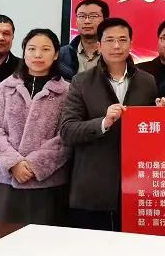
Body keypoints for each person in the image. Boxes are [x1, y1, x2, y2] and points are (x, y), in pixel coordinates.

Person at [59, 18, 157, 231]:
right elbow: (67, 131)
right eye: (110, 40)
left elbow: (150, 131)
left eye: (122, 40)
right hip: (93, 186)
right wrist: (103, 123)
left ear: (131, 43)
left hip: (136, 186)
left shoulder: (147, 81)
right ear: (99, 45)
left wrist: (162, 112)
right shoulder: (81, 82)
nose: (116, 46)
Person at [0, 28, 70, 225]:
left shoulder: (67, 92)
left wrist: (34, 165)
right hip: (7, 180)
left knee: (44, 238)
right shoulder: (3, 89)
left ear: (56, 54)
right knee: (4, 235)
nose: (38, 54)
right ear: (24, 52)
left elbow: (66, 135)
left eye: (45, 49)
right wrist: (13, 163)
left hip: (48, 183)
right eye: (31, 49)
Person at [58, 0, 109, 81]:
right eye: (81, 16)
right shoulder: (62, 54)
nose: (87, 21)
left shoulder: (116, 54)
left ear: (105, 20)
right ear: (76, 21)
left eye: (93, 16)